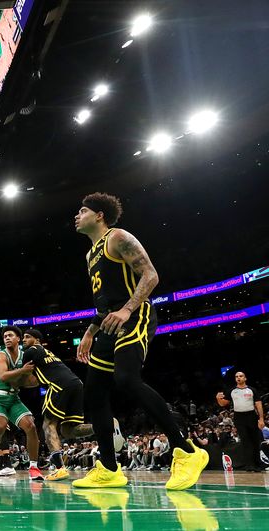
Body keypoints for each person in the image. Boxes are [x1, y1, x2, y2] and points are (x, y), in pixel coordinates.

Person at [74, 192, 208, 489]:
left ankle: (187, 452)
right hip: (109, 322)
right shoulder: (89, 254)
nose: (76, 215)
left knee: (126, 379)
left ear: (99, 215)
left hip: (136, 314)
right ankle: (109, 468)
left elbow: (150, 275)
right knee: (94, 394)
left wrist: (127, 310)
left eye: (82, 211)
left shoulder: (118, 237)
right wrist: (89, 332)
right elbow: (103, 303)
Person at [20, 329, 94, 481]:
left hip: (58, 386)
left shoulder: (30, 352)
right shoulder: (49, 354)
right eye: (23, 337)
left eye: (27, 337)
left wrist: (11, 382)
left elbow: (27, 378)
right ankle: (104, 425)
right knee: (68, 430)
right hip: (76, 384)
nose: (23, 340)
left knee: (48, 426)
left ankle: (60, 469)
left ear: (37, 340)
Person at [0, 326, 43, 481]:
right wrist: (23, 371)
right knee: (0, 425)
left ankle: (34, 467)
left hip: (13, 399)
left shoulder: (25, 356)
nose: (7, 338)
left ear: (18, 338)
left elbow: (30, 381)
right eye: (5, 336)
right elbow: (3, 376)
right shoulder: (0, 356)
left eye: (10, 335)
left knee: (30, 426)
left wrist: (33, 380)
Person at [216, 371, 265, 471]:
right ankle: (249, 465)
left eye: (241, 376)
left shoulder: (252, 390)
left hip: (251, 415)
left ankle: (258, 464)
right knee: (245, 441)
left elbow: (258, 404)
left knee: (255, 440)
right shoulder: (232, 391)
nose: (238, 378)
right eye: (236, 376)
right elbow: (223, 404)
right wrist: (218, 399)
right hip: (239, 417)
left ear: (245, 378)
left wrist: (261, 419)